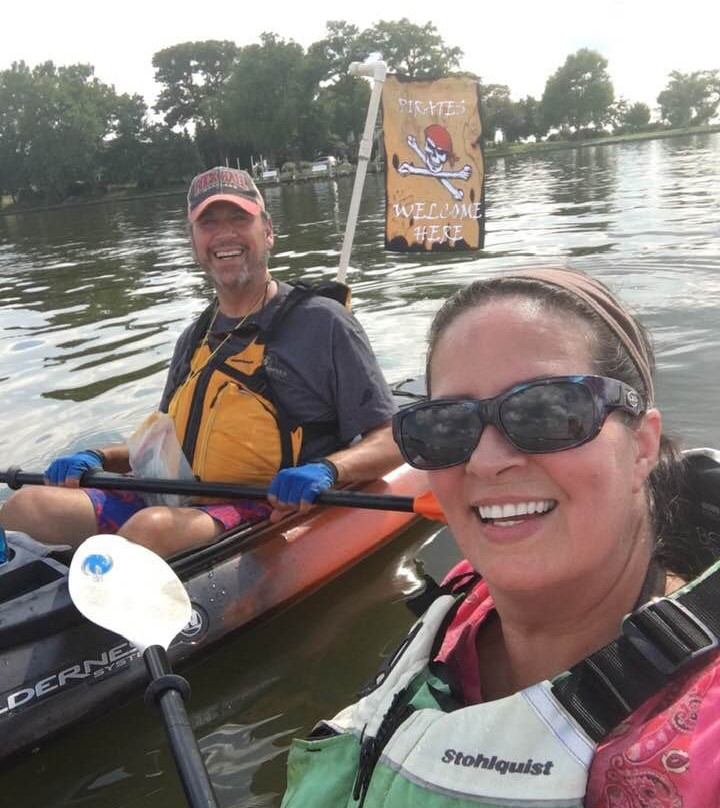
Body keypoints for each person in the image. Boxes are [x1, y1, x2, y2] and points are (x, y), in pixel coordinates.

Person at [281, 267, 720, 808]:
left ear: (642, 447)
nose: (486, 462)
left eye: (548, 412)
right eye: (445, 425)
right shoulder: (464, 596)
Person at [0, 166, 401, 556]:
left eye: (239, 219)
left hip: (262, 505)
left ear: (268, 231)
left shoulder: (324, 323)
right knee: (27, 507)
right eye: (208, 223)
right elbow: (163, 448)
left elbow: (391, 439)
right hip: (175, 499)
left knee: (148, 530)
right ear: (194, 244)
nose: (224, 234)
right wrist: (99, 457)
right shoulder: (194, 337)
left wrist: (329, 470)